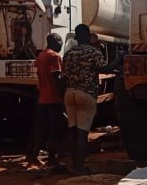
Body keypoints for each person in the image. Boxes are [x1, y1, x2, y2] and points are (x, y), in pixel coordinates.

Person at [61, 23, 108, 174]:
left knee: (72, 130)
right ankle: (79, 167)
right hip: (86, 94)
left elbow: (64, 74)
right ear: (89, 36)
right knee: (82, 133)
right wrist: (119, 60)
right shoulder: (93, 52)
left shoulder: (69, 53)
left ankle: (69, 164)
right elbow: (104, 68)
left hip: (70, 93)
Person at [27, 33, 65, 169]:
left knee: (40, 128)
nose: (61, 44)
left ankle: (33, 157)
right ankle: (52, 158)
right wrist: (63, 96)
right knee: (54, 130)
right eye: (60, 41)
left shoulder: (41, 55)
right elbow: (57, 77)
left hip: (42, 97)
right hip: (53, 98)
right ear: (56, 42)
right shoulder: (54, 57)